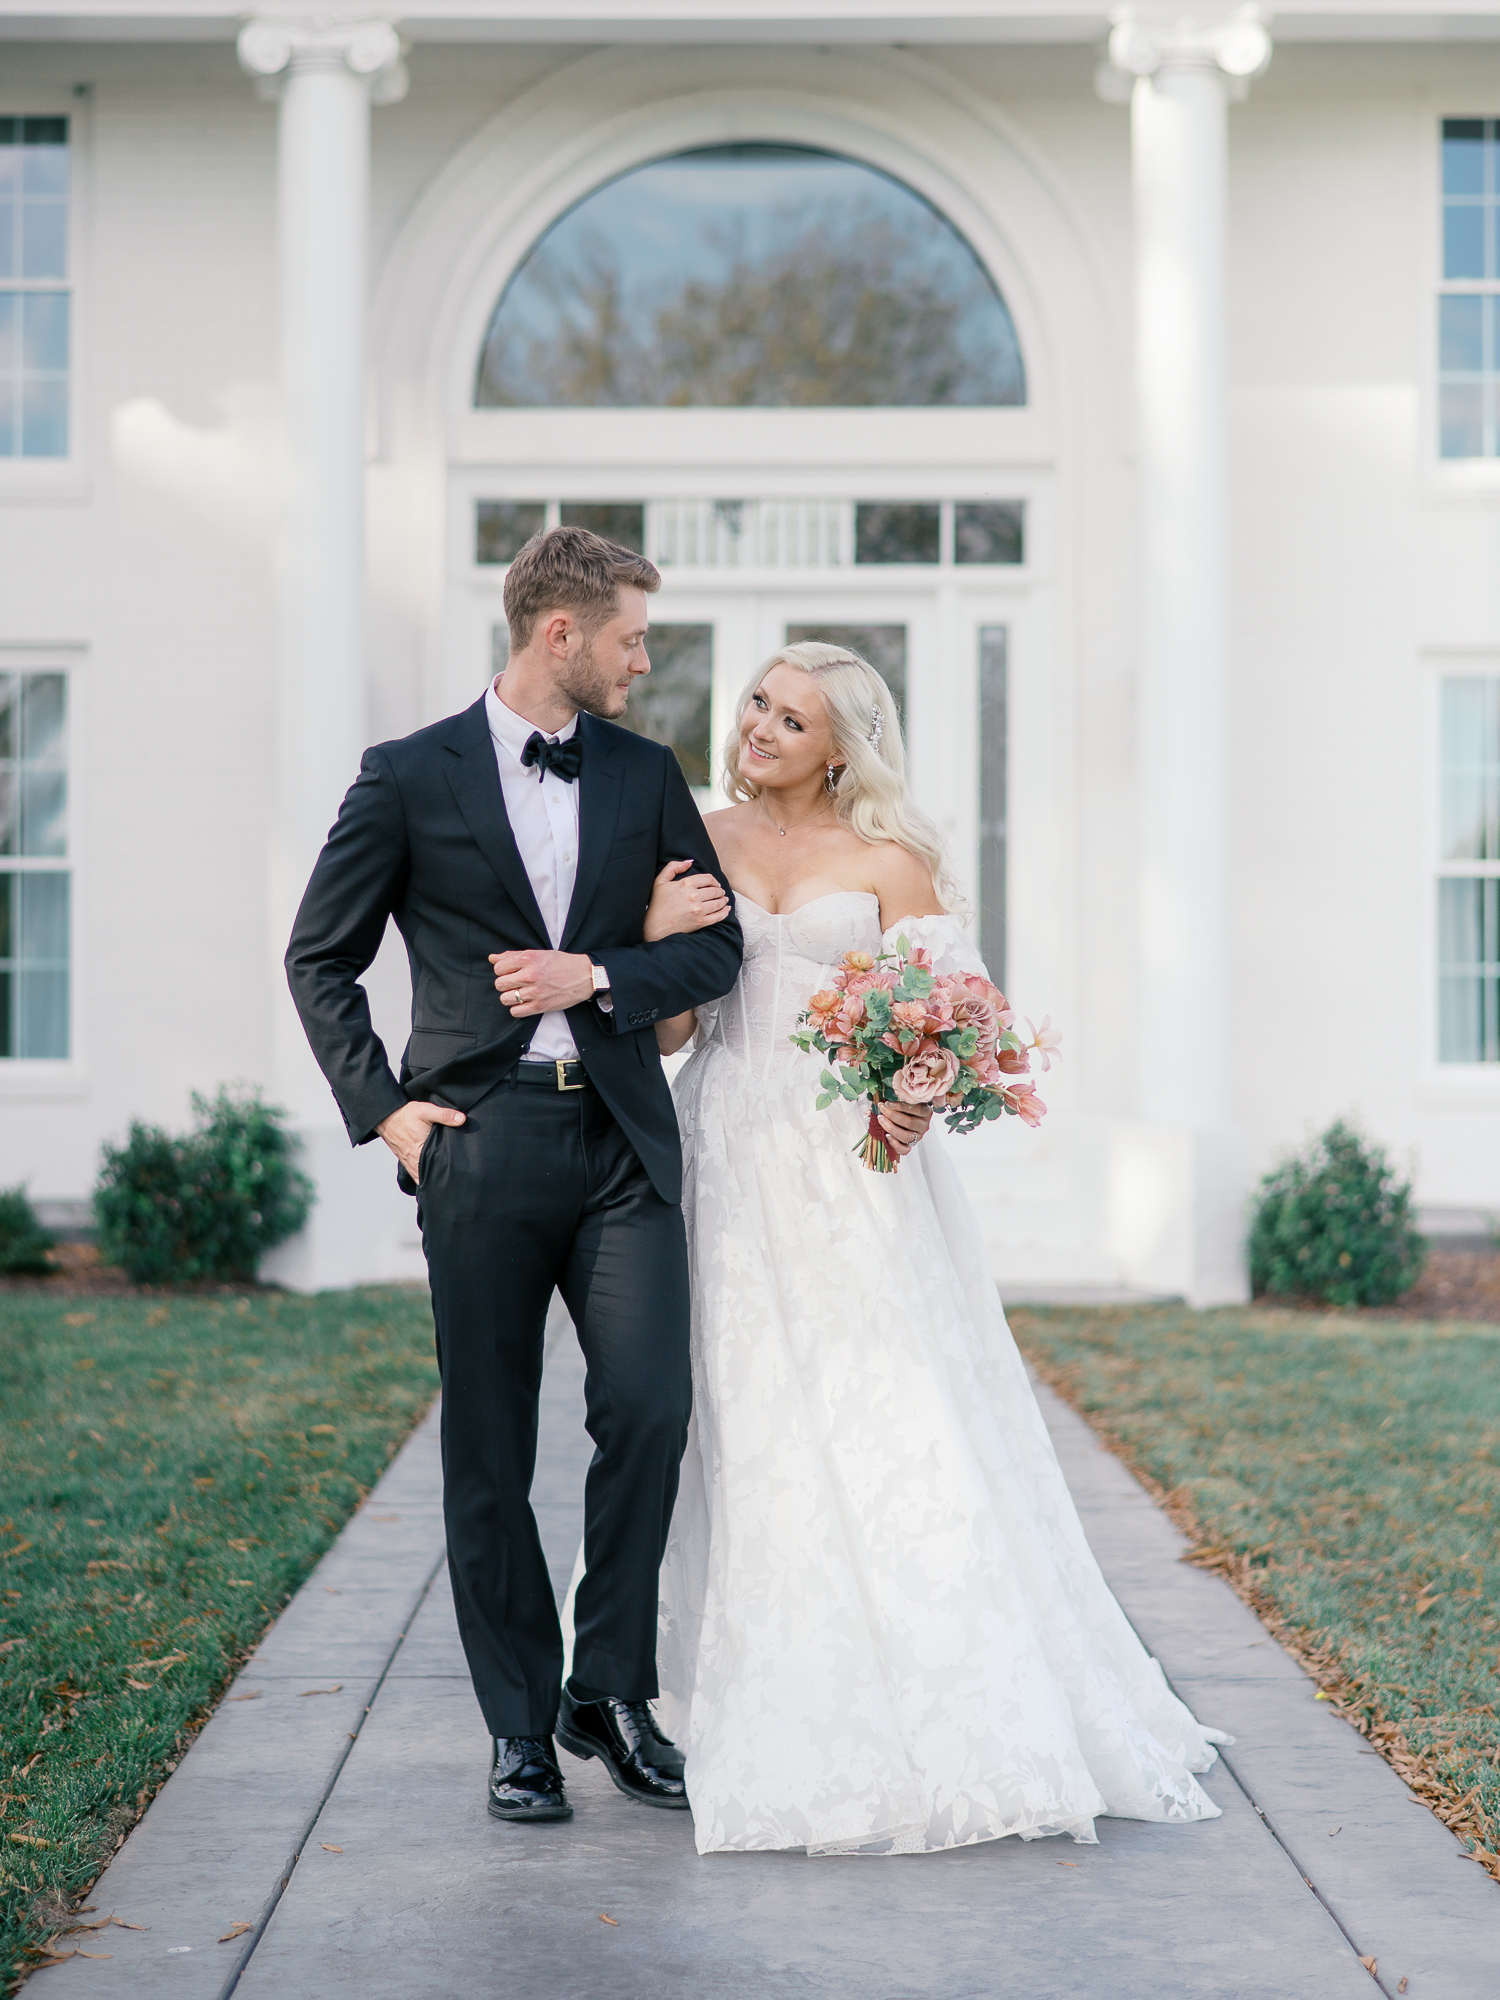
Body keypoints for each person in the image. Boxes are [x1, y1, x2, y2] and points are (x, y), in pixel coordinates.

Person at [625, 640, 1227, 1856]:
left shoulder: (891, 860)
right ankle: (760, 1681)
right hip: (723, 1152)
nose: (756, 728)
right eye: (754, 703)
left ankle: (934, 1681)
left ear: (842, 746)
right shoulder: (697, 834)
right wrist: (649, 924)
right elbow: (679, 1023)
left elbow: (964, 1023)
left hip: (855, 1165)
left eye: (789, 719)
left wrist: (915, 1089)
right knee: (740, 1417)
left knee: (881, 1408)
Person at [286, 527, 743, 1827]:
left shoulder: (648, 775)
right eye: (631, 638)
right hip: (479, 1140)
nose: (642, 663)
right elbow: (319, 957)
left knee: (650, 1410)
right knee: (488, 1447)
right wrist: (389, 1117)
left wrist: (602, 972)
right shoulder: (406, 777)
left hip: (618, 1139)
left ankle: (606, 1690)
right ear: (561, 635)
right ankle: (516, 1730)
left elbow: (720, 955)